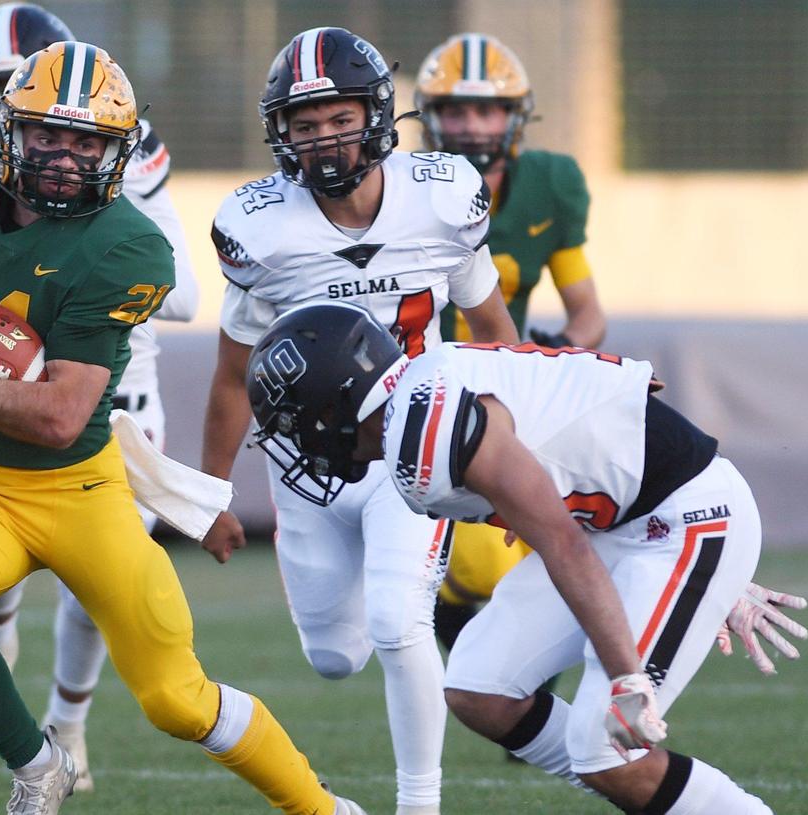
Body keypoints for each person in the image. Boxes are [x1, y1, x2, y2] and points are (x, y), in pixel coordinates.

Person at [0, 41, 364, 815]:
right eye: (49, 135)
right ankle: (36, 764)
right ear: (9, 132)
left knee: (177, 701)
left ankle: (324, 808)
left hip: (82, 489)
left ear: (117, 153)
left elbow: (62, 414)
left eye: (88, 144)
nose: (65, 158)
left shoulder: (123, 246)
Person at [245, 302, 808, 815]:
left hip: (679, 518)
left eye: (296, 416)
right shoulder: (417, 407)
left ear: (336, 397)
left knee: (605, 746)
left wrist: (626, 675)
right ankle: (637, 784)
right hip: (620, 522)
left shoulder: (426, 428)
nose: (298, 436)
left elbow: (561, 538)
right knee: (480, 689)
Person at [201, 27, 519, 815]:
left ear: (376, 115)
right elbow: (235, 374)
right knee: (335, 655)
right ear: (282, 136)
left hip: (414, 439)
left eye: (338, 119)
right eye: (303, 127)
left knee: (395, 618)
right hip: (305, 461)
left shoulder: (443, 198)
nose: (323, 140)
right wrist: (206, 492)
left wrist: (512, 459)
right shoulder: (260, 228)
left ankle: (420, 804)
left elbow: (497, 337)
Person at [0, 5, 200, 789]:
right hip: (3, 392)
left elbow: (186, 291)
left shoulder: (120, 172)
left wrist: (89, 287)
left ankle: (70, 719)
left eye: (75, 131)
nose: (57, 144)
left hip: (115, 385)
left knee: (99, 581)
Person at [414, 32, 609, 650]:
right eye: (455, 110)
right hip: (420, 395)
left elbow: (587, 311)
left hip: (504, 391)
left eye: (487, 109)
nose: (472, 126)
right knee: (486, 569)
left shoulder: (548, 182)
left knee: (550, 549)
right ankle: (459, 624)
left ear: (514, 115)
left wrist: (560, 352)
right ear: (430, 116)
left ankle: (524, 708)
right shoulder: (403, 187)